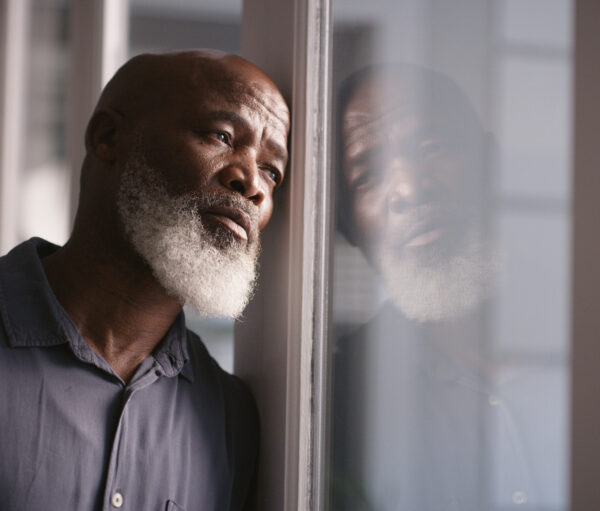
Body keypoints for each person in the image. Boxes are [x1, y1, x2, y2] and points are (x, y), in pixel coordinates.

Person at [0, 50, 289, 511]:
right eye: (221, 135)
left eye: (273, 171)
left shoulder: (230, 419)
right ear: (109, 137)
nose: (252, 181)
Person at [331, 65, 565, 510]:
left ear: (489, 163)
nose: (410, 189)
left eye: (432, 147)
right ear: (347, 227)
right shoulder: (339, 400)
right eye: (368, 177)